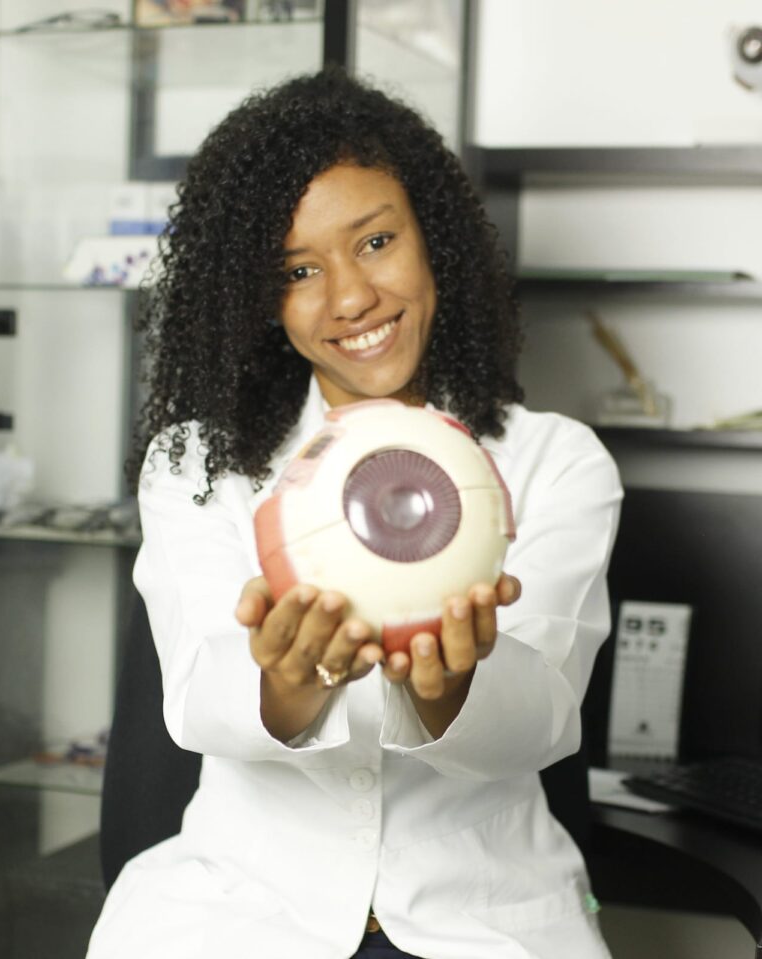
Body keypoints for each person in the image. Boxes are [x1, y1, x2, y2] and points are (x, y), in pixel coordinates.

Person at [86, 67, 622, 959]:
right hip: (237, 920)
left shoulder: (553, 461)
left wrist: (448, 684)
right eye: (298, 269)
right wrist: (290, 680)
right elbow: (198, 698)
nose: (350, 298)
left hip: (484, 924)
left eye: (375, 242)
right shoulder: (197, 465)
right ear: (259, 301)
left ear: (432, 239)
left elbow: (544, 721)